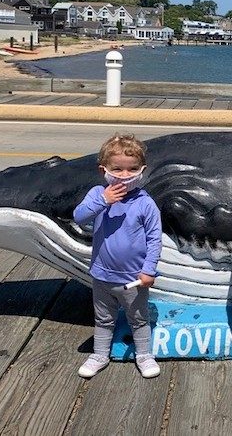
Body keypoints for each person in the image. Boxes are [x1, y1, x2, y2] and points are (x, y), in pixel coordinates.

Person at [74, 133, 162, 379]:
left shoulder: (146, 203)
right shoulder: (97, 194)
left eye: (132, 169)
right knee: (103, 318)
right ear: (104, 170)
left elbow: (155, 239)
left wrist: (149, 270)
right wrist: (104, 200)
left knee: (138, 318)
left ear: (142, 170)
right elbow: (80, 216)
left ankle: (144, 354)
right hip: (102, 275)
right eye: (117, 169)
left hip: (134, 278)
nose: (125, 175)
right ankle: (100, 354)